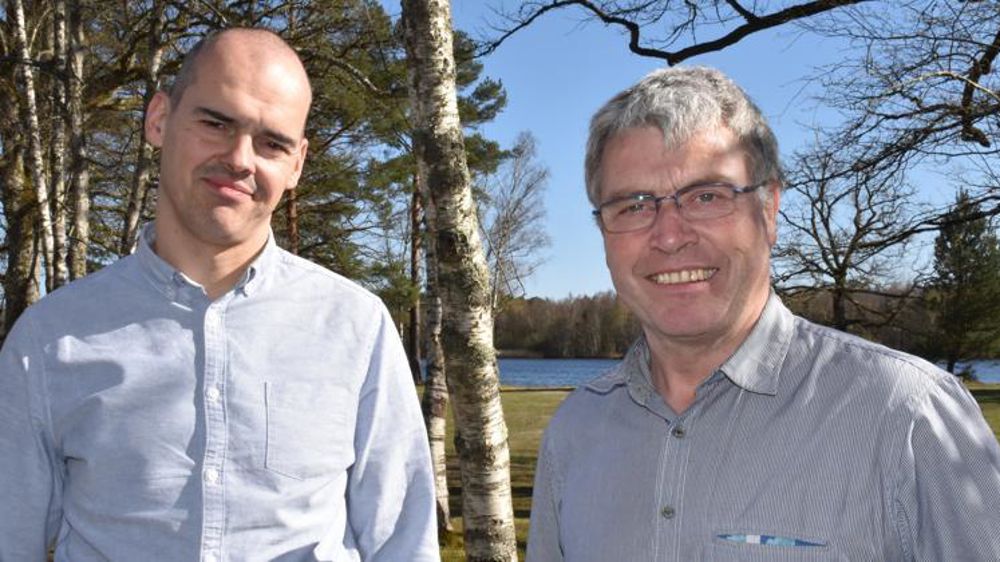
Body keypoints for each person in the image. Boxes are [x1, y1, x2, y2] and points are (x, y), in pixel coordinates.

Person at [527, 66, 1000, 561]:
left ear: (770, 208)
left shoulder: (907, 416)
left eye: (706, 196)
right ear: (603, 229)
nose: (669, 236)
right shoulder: (576, 432)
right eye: (634, 205)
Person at [0, 28, 438, 561]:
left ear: (296, 164)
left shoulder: (355, 327)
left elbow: (403, 542)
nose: (239, 159)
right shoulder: (48, 342)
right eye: (215, 123)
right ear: (159, 119)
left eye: (272, 143)